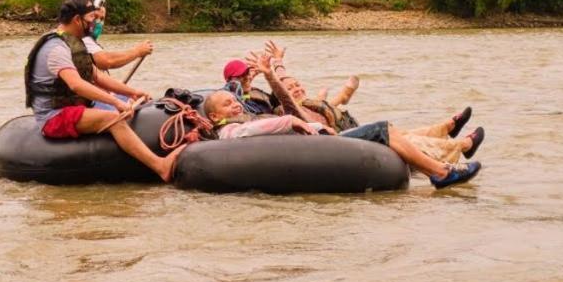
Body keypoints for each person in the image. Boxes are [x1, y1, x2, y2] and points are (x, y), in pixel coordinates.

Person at [243, 53, 481, 189]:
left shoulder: (309, 104)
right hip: (326, 145)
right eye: (290, 88)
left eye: (296, 86)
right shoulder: (290, 114)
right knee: (383, 128)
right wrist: (270, 74)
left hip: (333, 138)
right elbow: (285, 98)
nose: (295, 89)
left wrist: (277, 65)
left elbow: (293, 90)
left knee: (396, 133)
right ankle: (442, 170)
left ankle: (449, 135)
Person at [24, 0, 180, 182]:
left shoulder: (74, 42)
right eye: (92, 19)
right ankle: (160, 166)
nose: (95, 23)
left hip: (74, 108)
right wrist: (115, 101)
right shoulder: (56, 49)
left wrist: (131, 92)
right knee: (113, 118)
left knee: (122, 106)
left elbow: (95, 76)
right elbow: (77, 84)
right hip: (54, 116)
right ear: (76, 19)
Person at [202, 90, 330, 139]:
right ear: (215, 117)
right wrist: (289, 120)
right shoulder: (227, 130)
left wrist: (319, 126)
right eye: (227, 104)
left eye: (235, 101)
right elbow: (246, 130)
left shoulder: (247, 120)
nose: (236, 104)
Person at [80, 0, 154, 71]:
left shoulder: (91, 42)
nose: (98, 22)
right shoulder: (83, 39)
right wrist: (137, 51)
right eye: (95, 17)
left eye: (102, 19)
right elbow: (108, 61)